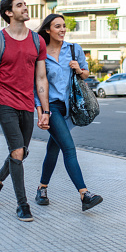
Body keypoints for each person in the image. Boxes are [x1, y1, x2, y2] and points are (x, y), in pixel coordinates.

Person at [0, 0, 50, 222]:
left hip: (26, 104)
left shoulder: (37, 41)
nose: (25, 7)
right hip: (5, 103)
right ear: (8, 13)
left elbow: (41, 78)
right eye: (19, 5)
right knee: (18, 152)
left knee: (20, 153)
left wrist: (45, 110)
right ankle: (23, 206)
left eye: (25, 4)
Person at [33, 14, 103, 211]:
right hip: (51, 106)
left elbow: (86, 73)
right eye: (58, 26)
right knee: (69, 148)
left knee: (53, 148)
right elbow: (37, 84)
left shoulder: (73, 49)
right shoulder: (40, 54)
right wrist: (41, 111)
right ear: (48, 30)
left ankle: (42, 188)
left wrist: (79, 70)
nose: (63, 30)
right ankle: (84, 194)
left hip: (69, 106)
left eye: (64, 26)